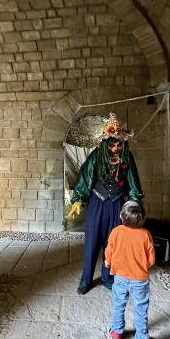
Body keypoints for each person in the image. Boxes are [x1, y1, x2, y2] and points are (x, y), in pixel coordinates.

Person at [67, 112, 144, 295]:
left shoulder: (128, 158)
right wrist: (78, 199)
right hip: (97, 203)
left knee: (114, 243)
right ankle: (86, 278)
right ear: (105, 144)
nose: (116, 148)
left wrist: (135, 205)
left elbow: (133, 183)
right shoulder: (96, 157)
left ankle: (108, 277)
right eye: (112, 144)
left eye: (119, 144)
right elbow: (86, 178)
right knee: (92, 241)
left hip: (118, 205)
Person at [105, 200, 155, 339]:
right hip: (139, 280)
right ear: (143, 217)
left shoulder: (116, 231)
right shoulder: (146, 235)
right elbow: (151, 259)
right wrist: (142, 266)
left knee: (118, 304)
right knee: (141, 309)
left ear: (121, 216)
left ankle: (117, 333)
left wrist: (109, 262)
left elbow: (109, 251)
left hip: (120, 277)